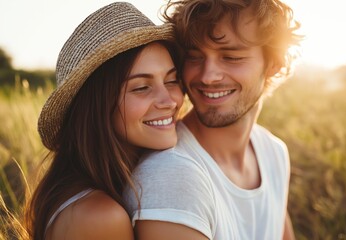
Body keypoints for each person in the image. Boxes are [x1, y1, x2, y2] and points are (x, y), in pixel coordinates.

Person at [124, 0, 303, 239]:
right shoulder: (170, 175)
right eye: (194, 57)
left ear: (273, 64)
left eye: (231, 57)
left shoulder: (274, 151)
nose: (208, 77)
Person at [23, 2, 184, 240]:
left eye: (172, 81)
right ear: (96, 106)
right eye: (141, 87)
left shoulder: (97, 191)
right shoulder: (99, 216)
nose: (169, 100)